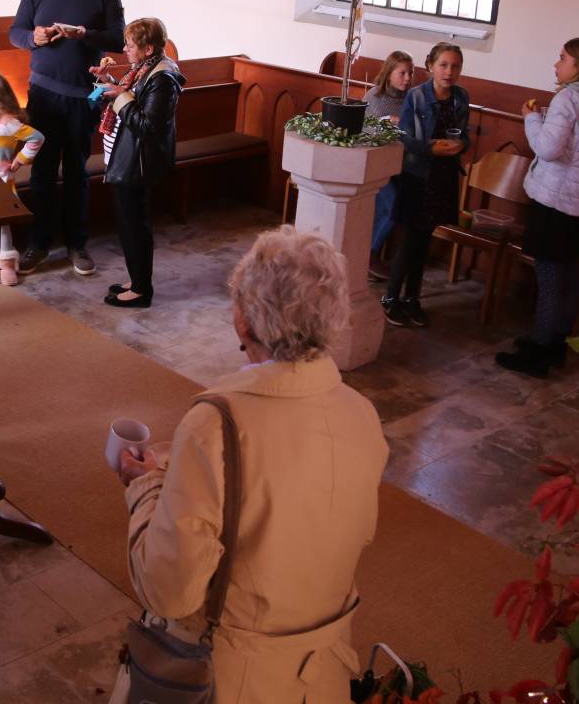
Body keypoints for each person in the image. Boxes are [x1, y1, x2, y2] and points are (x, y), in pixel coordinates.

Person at [115, 227, 387, 704]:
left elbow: (169, 589)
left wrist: (144, 488)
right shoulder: (361, 414)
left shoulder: (216, 424)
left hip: (234, 680)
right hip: (325, 678)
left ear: (242, 320)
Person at [496, 38, 579, 377]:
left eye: (563, 58)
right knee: (568, 275)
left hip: (554, 200)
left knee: (551, 276)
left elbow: (548, 149)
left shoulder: (569, 97)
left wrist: (531, 119)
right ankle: (556, 346)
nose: (557, 64)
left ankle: (539, 353)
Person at [8, 0, 126, 277]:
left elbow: (118, 39)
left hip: (81, 95)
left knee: (76, 172)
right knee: (42, 171)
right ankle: (39, 244)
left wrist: (83, 34)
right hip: (43, 92)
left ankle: (77, 244)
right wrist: (35, 38)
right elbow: (16, 31)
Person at [95, 18, 183, 309]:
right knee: (128, 224)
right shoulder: (141, 70)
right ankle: (137, 279)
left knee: (134, 226)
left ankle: (142, 291)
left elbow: (147, 126)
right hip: (124, 156)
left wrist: (120, 96)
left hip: (137, 162)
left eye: (130, 45)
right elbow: (114, 99)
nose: (124, 49)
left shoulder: (162, 79)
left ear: (147, 49)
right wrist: (105, 83)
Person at [381, 43, 469, 329]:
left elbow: (464, 135)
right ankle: (391, 298)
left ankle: (412, 299)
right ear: (431, 66)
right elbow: (404, 137)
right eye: (443, 65)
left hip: (442, 176)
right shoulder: (417, 97)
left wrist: (459, 145)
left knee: (425, 241)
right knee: (410, 241)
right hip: (418, 175)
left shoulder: (460, 98)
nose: (449, 72)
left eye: (455, 66)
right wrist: (432, 149)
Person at [0, 71, 45, 283]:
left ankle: (6, 262)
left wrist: (21, 159)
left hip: (0, 179)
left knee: (1, 221)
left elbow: (37, 138)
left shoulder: (9, 124)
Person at [363, 51, 414, 282]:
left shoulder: (411, 99)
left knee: (396, 208)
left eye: (410, 73)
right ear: (389, 73)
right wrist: (390, 124)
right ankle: (370, 255)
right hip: (372, 164)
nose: (407, 78)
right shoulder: (375, 97)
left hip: (399, 166)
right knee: (393, 207)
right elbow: (366, 130)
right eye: (402, 73)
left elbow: (412, 132)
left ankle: (369, 256)